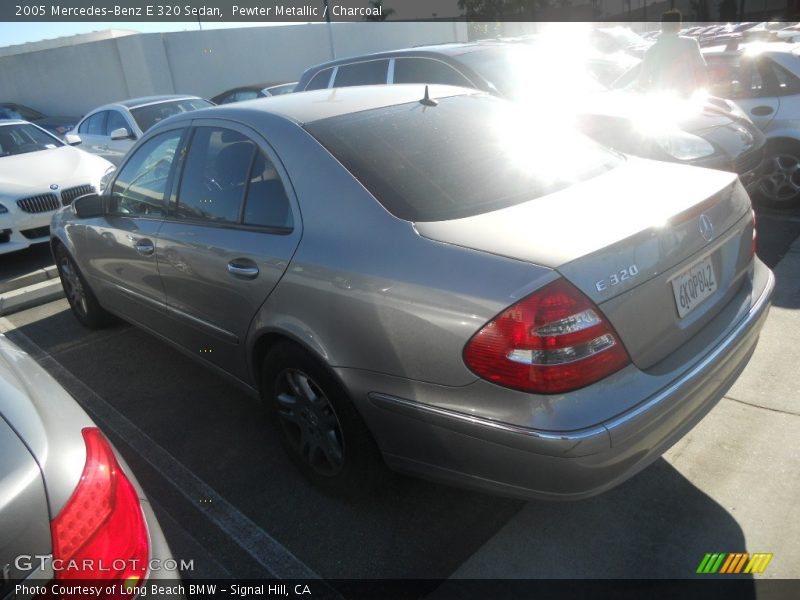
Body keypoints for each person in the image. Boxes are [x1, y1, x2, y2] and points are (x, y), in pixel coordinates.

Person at [639, 10, 708, 95]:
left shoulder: (651, 51)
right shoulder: (691, 44)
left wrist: (654, 90)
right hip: (687, 98)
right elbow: (701, 71)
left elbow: (642, 81)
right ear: (678, 25)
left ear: (662, 26)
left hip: (661, 99)